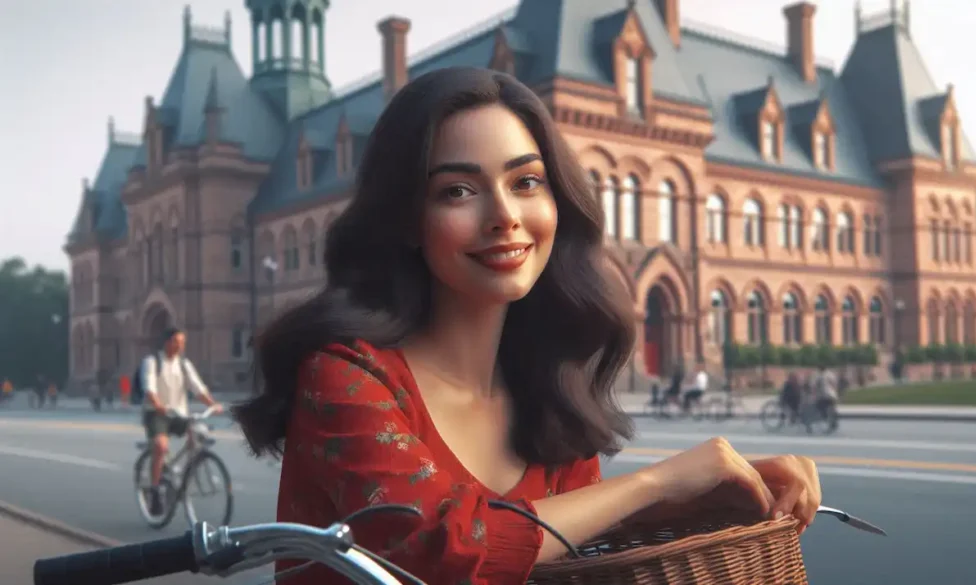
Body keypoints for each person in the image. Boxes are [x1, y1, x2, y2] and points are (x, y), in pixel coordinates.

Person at [233, 67, 821, 585]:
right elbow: (443, 550)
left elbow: (567, 539)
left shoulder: (548, 386)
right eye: (458, 190)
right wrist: (658, 483)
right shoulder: (345, 375)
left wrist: (713, 497)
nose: (506, 216)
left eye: (526, 182)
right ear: (407, 218)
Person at [141, 327, 222, 515]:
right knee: (161, 446)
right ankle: (155, 490)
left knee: (200, 433)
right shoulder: (152, 362)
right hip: (157, 414)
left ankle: (181, 474)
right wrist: (158, 404)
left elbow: (198, 388)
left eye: (182, 342)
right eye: (177, 342)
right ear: (167, 342)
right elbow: (149, 388)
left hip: (179, 414)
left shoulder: (184, 364)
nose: (181, 346)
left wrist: (213, 404)